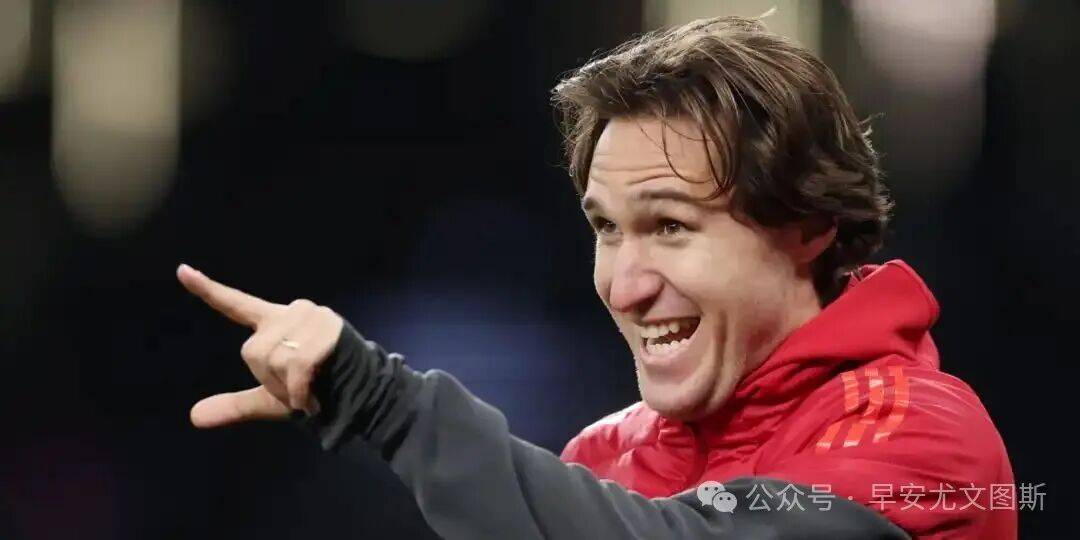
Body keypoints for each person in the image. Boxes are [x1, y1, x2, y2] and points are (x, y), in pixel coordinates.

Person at [177, 16, 1015, 539]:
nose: (624, 284)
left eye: (671, 227)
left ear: (808, 226)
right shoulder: (602, 459)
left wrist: (384, 402)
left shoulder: (925, 442)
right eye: (607, 229)